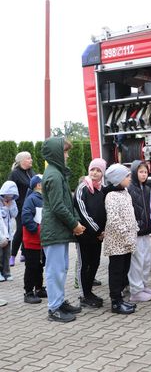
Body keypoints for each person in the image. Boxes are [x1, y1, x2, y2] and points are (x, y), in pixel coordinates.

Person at [41, 137, 85, 323]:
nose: (67, 155)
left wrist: (75, 221)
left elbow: (66, 202)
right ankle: (54, 309)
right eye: (65, 151)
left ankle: (59, 302)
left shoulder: (57, 173)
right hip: (54, 232)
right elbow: (58, 206)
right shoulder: (54, 175)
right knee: (55, 271)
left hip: (58, 231)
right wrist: (74, 224)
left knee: (61, 268)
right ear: (56, 153)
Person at [103, 163, 138, 315]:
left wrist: (135, 228)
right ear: (118, 179)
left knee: (124, 270)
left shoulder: (125, 192)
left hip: (127, 242)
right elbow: (114, 219)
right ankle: (115, 302)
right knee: (116, 271)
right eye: (127, 176)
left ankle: (121, 298)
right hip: (117, 242)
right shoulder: (111, 196)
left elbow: (130, 213)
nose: (130, 178)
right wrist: (126, 234)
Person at [73, 158, 107, 308]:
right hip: (85, 235)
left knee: (95, 263)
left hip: (98, 236)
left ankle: (89, 291)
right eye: (93, 169)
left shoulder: (102, 189)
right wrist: (97, 230)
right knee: (84, 264)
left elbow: (105, 211)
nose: (95, 173)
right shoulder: (82, 188)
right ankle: (84, 295)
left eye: (98, 170)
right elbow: (83, 212)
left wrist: (103, 231)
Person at [127, 160, 151, 302]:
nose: (144, 175)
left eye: (145, 172)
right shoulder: (129, 189)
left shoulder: (147, 189)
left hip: (146, 230)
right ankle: (135, 291)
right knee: (137, 261)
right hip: (135, 231)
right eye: (140, 172)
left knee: (146, 260)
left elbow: (150, 209)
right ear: (134, 172)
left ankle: (143, 285)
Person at [22, 175, 46, 303]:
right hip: (32, 240)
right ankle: (28, 292)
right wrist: (37, 230)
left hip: (41, 241)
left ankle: (39, 288)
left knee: (39, 265)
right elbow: (26, 217)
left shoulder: (43, 198)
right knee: (31, 266)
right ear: (39, 185)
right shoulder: (31, 199)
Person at [8, 151, 35, 266]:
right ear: (22, 161)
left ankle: (24, 253)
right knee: (20, 229)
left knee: (29, 228)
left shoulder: (31, 172)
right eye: (28, 158)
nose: (31, 160)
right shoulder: (15, 174)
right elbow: (9, 190)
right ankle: (12, 256)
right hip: (19, 207)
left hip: (32, 206)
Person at [0, 180, 19, 281]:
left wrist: (10, 206)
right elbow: (2, 215)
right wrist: (6, 208)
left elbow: (14, 214)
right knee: (0, 254)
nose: (9, 197)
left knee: (7, 254)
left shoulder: (12, 201)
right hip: (1, 233)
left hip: (8, 233)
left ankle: (6, 273)